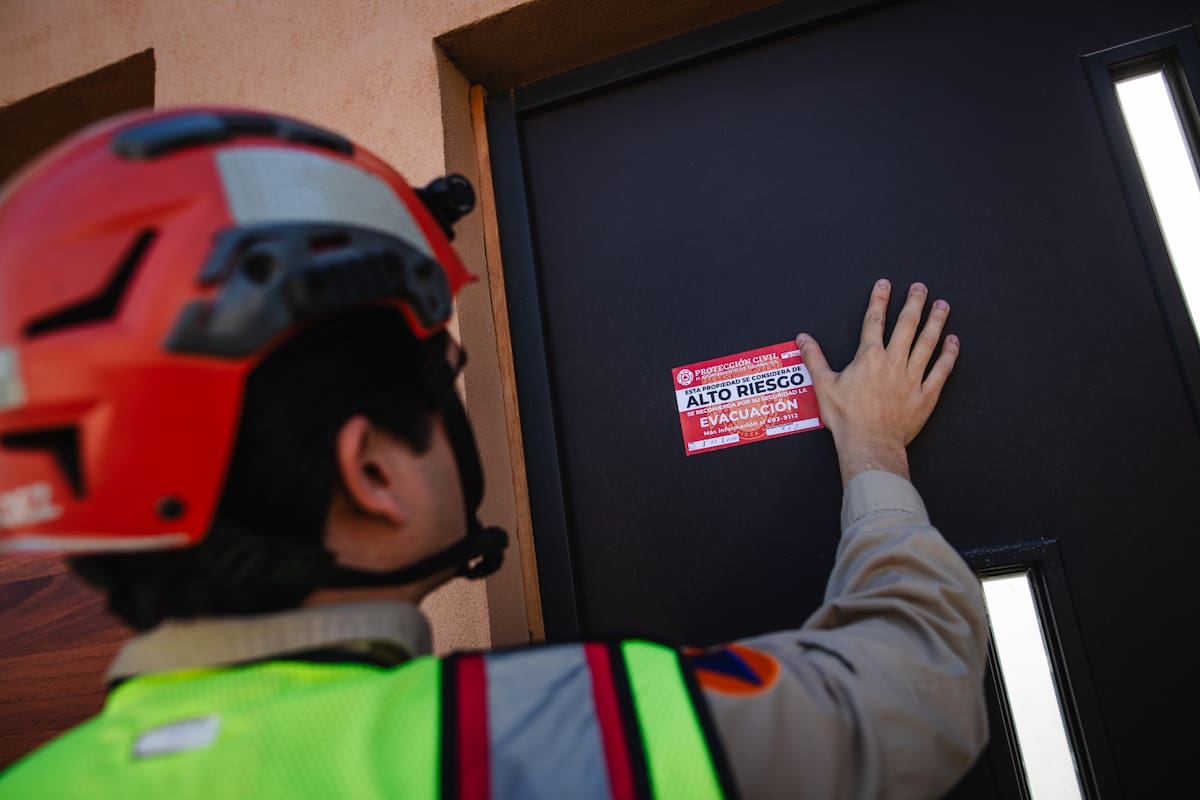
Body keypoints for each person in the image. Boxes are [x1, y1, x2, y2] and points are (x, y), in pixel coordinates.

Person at [0, 107, 988, 799]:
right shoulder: (550, 737)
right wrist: (871, 447)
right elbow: (923, 690)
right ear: (374, 472)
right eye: (447, 378)